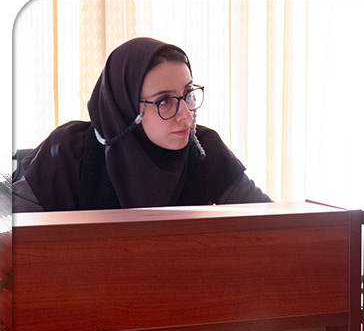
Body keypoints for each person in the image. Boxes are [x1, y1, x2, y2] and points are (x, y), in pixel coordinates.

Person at [13, 37, 271, 212]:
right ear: (125, 107)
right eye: (165, 101)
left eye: (188, 94)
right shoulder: (70, 151)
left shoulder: (204, 149)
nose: (186, 114)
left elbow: (273, 224)